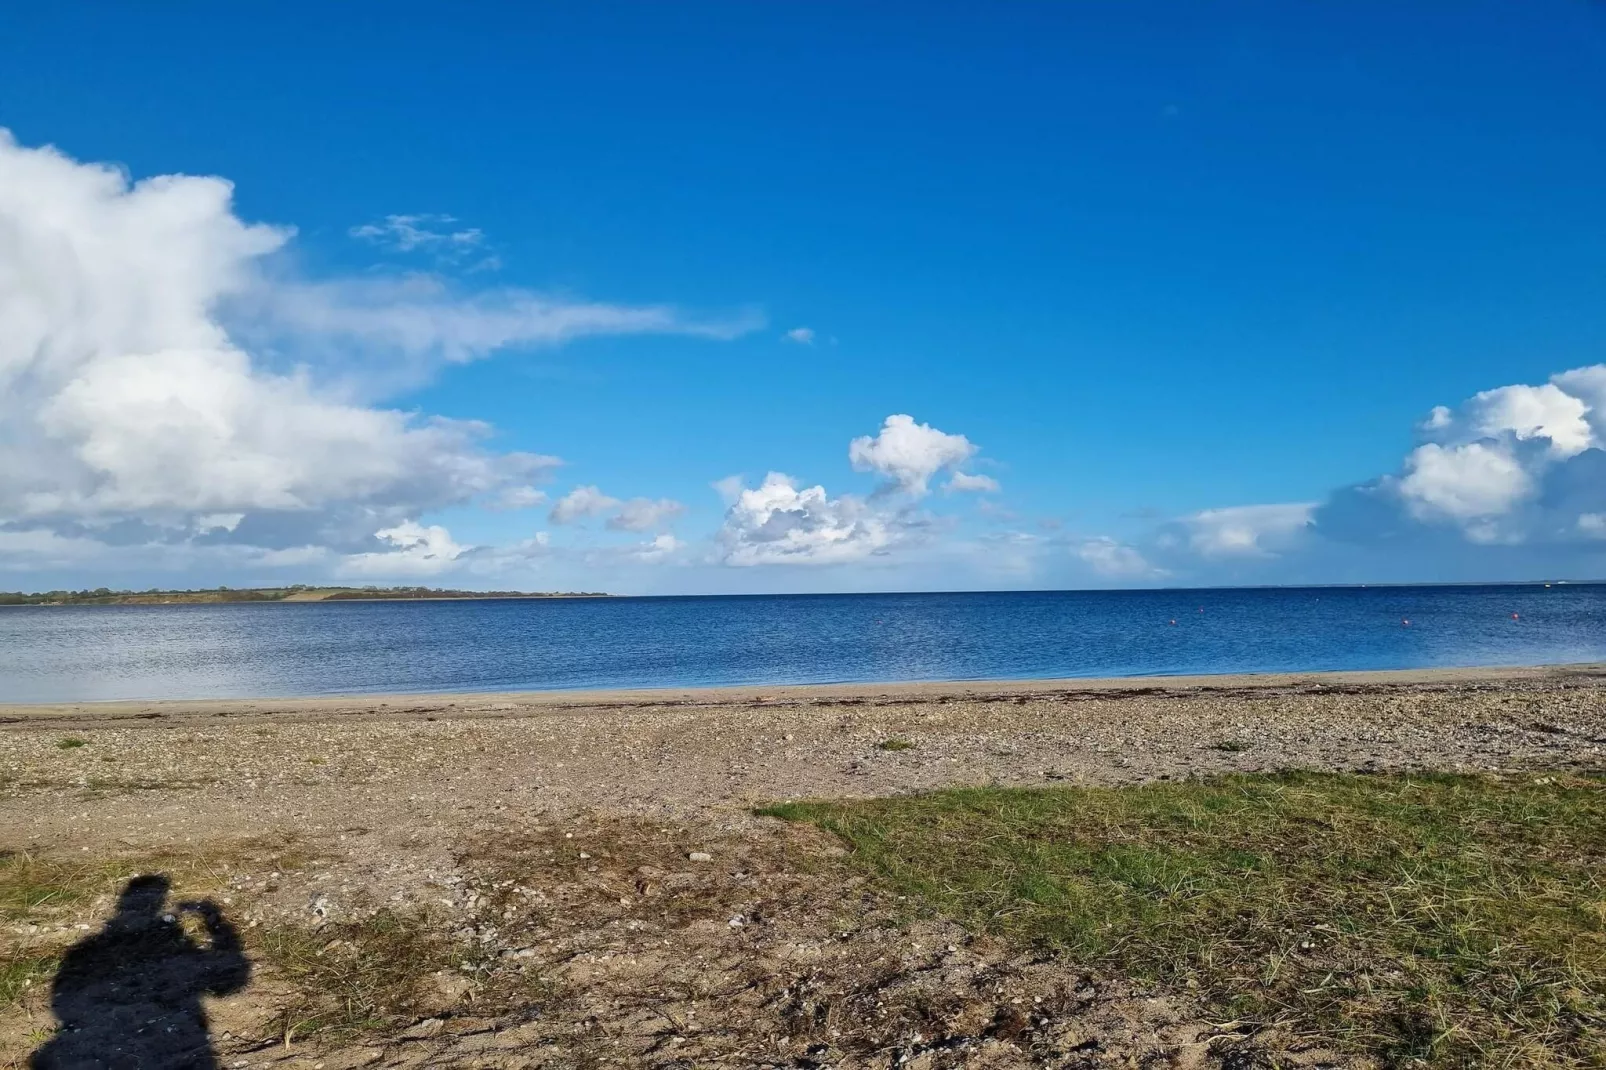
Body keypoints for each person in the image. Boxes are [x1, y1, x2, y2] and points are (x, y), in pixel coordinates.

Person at [31, 875, 249, 1070]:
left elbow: (62, 1003)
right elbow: (231, 982)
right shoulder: (170, 946)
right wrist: (215, 920)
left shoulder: (87, 950)